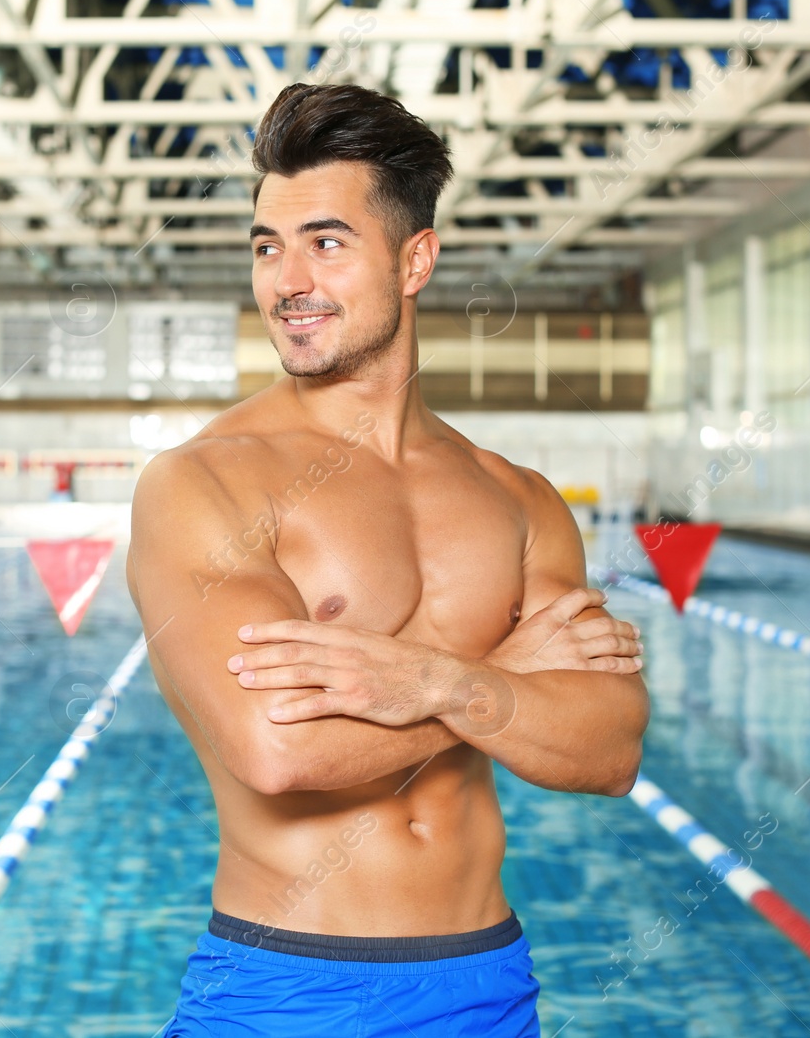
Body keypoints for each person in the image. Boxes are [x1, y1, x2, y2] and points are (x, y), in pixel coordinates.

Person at [125, 82, 649, 1038]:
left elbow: (611, 748)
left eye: (325, 243)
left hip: (486, 984)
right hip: (287, 983)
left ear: (416, 261)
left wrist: (434, 681)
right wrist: (496, 687)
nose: (287, 280)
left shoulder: (514, 495)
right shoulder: (205, 483)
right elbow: (278, 751)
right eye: (266, 246)